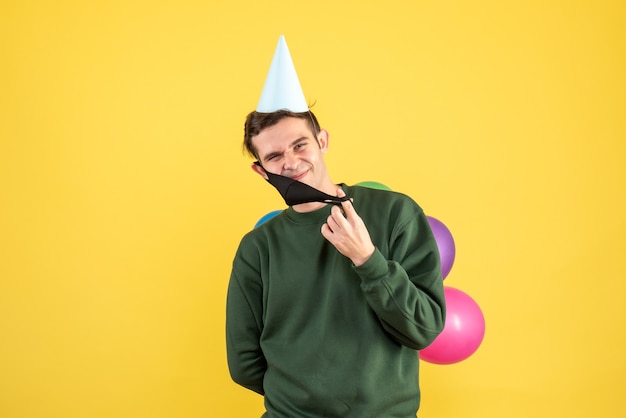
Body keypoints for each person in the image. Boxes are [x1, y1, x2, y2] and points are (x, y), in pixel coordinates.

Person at [226, 36, 446, 418]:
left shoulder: (395, 214)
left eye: (300, 145)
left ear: (322, 141)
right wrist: (301, 398)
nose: (291, 162)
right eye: (274, 156)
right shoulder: (258, 248)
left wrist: (367, 259)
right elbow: (243, 361)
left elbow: (423, 329)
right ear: (261, 171)